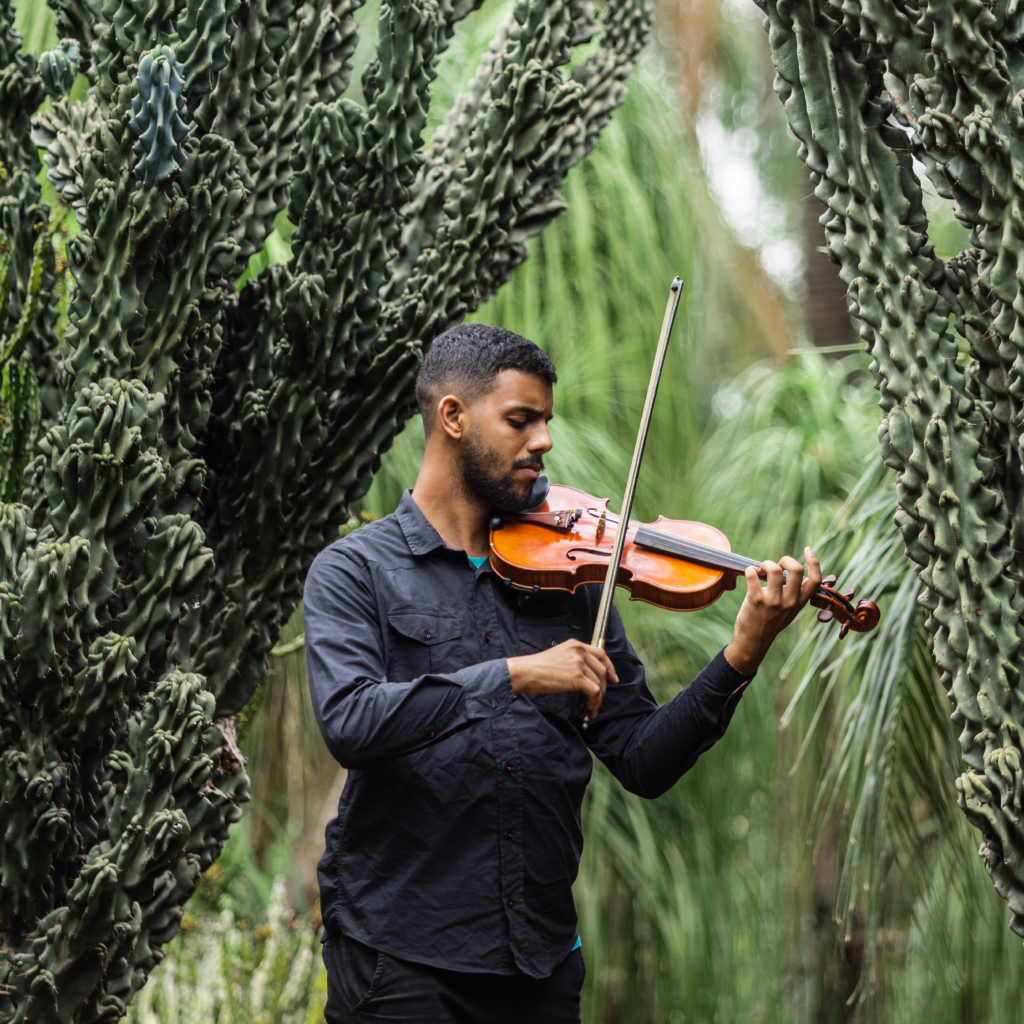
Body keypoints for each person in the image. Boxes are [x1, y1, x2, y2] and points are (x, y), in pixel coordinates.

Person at [304, 324, 822, 1024]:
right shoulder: (355, 572)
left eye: (546, 421)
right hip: (401, 962)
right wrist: (515, 674)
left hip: (539, 964)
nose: (543, 441)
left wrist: (743, 652)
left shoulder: (572, 576)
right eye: (521, 420)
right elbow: (352, 723)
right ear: (453, 416)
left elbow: (642, 759)